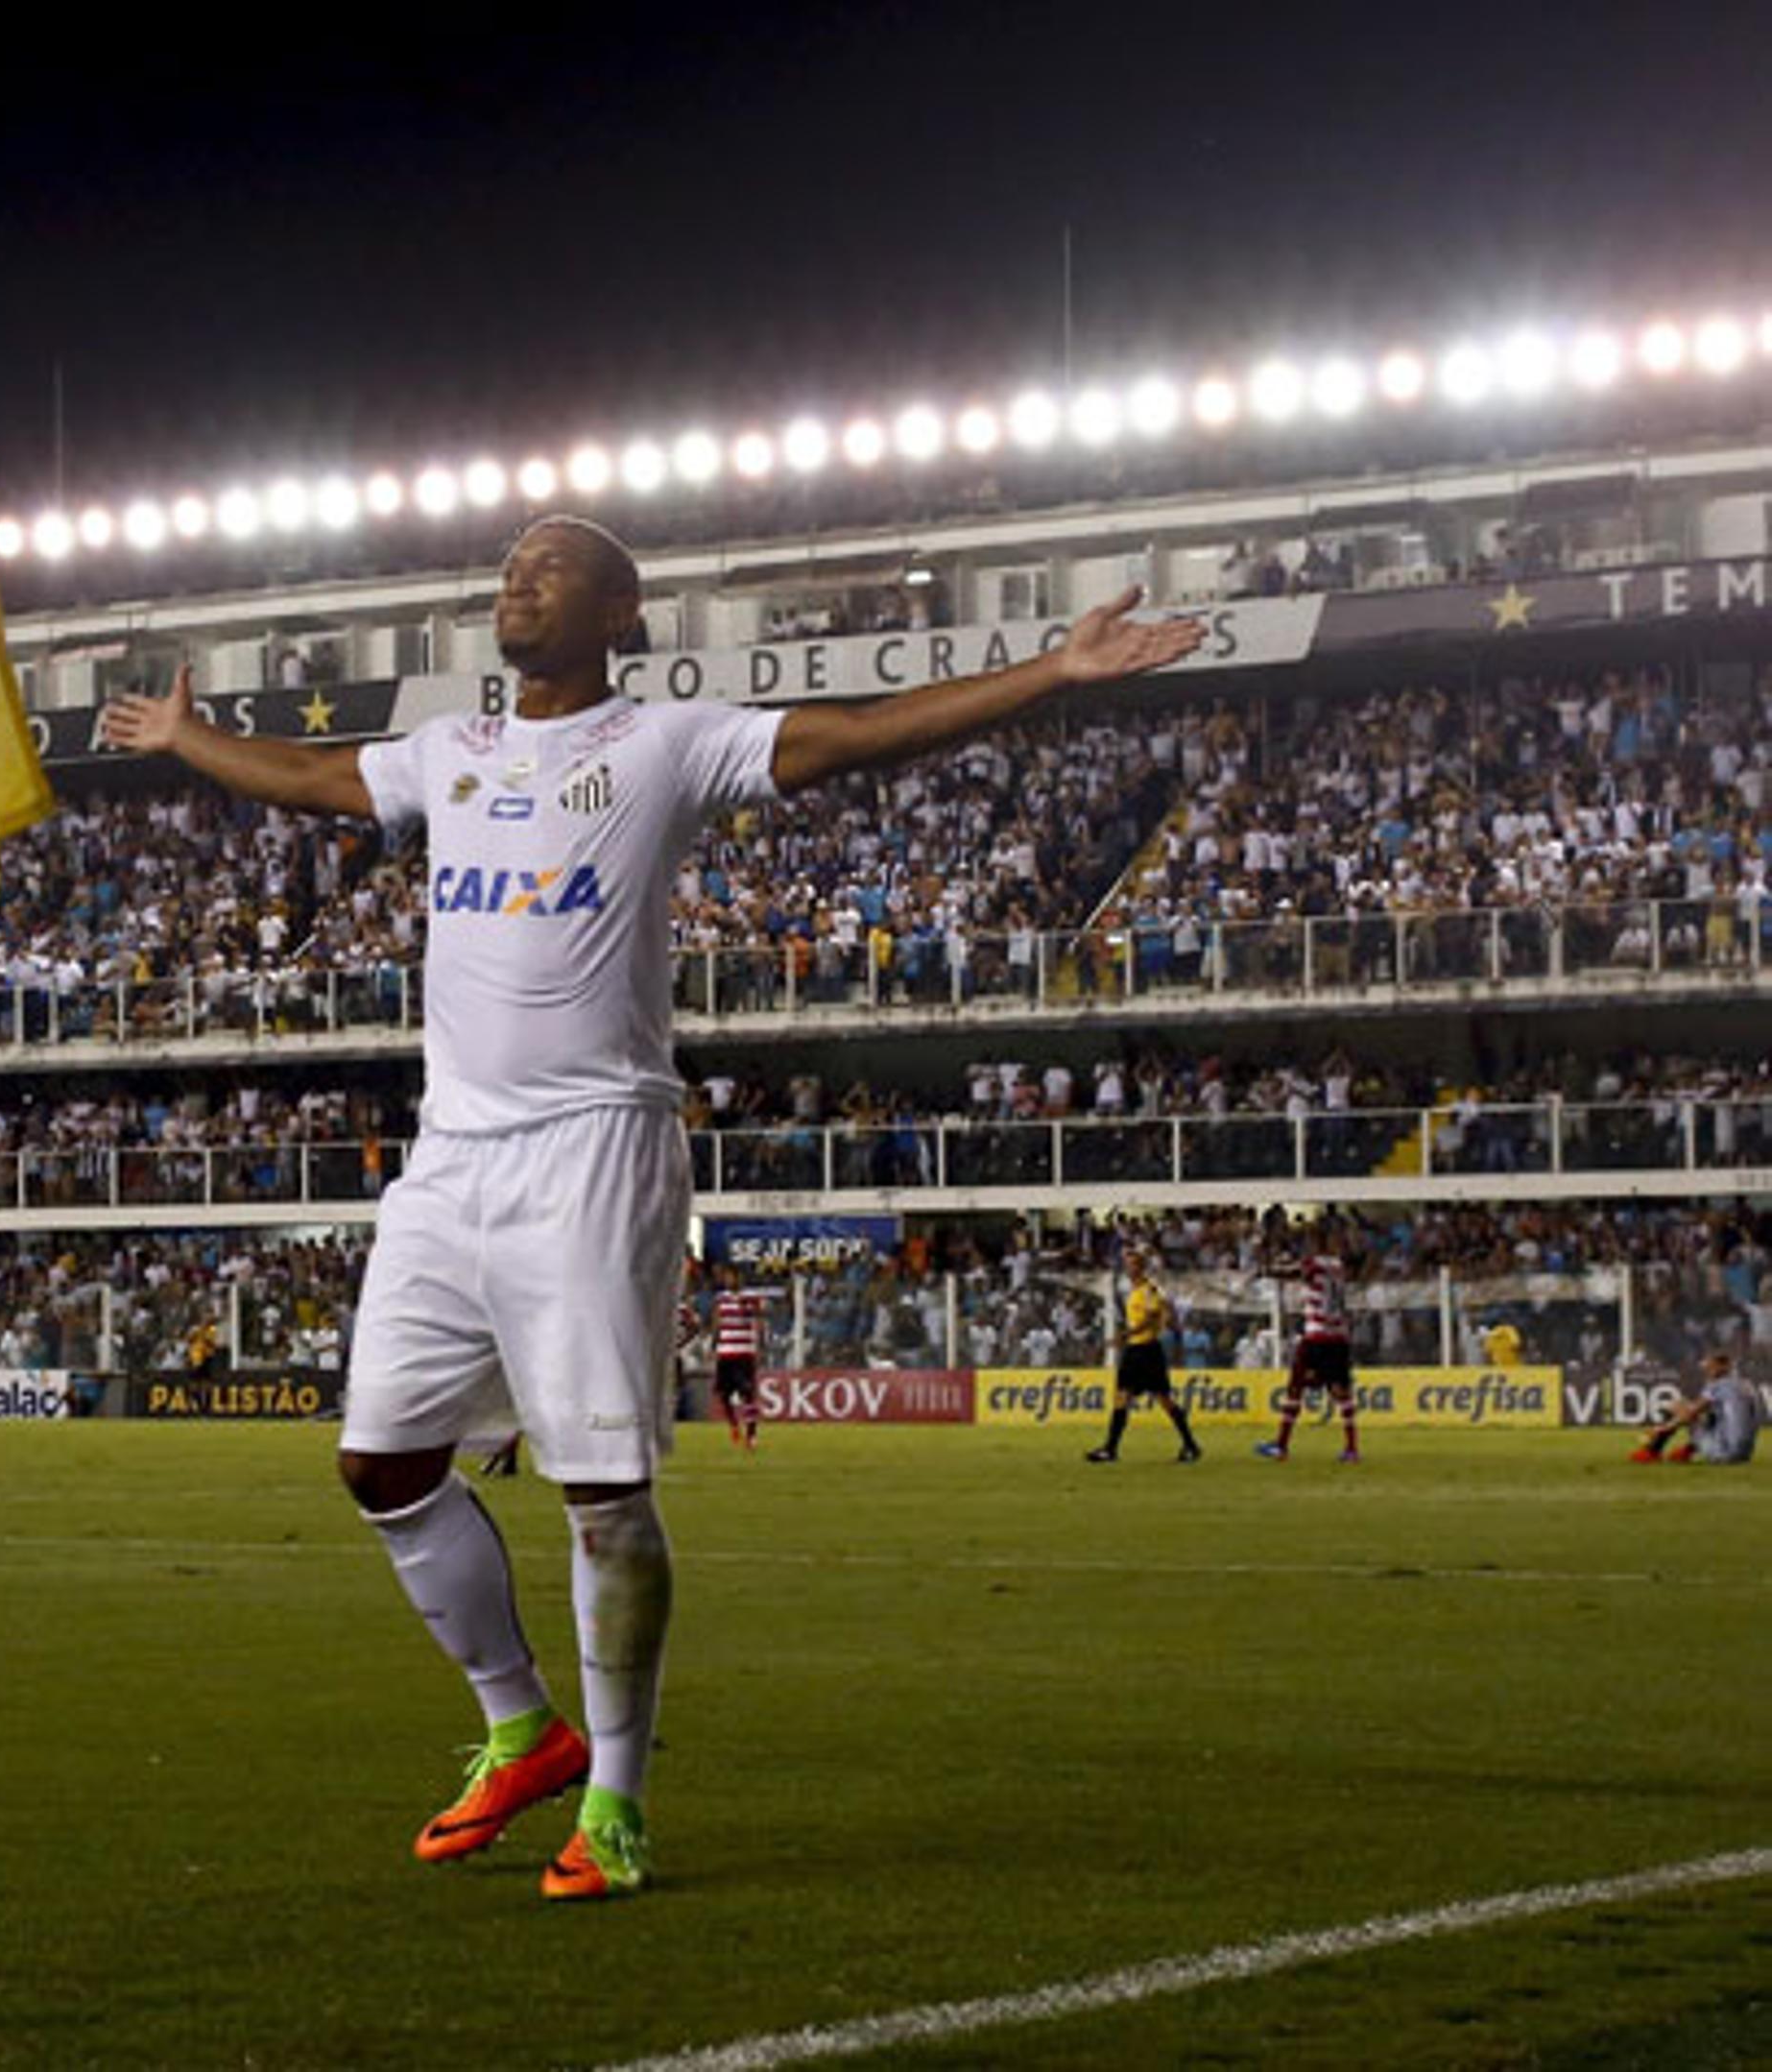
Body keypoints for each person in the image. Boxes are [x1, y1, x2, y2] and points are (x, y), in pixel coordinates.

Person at [99, 514, 1202, 1902]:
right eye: (510, 563)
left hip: (594, 1145)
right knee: (379, 1465)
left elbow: (856, 734)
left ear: (622, 612)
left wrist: (1053, 667)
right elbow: (318, 775)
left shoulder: (667, 745)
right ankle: (522, 1724)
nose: (519, 576)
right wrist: (185, 741)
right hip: (449, 1159)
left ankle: (615, 1801)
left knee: (603, 1491)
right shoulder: (451, 750)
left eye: (552, 565)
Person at [1257, 1224, 1359, 1463]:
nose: (1305, 1246)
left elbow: (1295, 1273)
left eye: (1309, 1240)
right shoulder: (1338, 1266)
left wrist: (1268, 1270)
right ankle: (1352, 1448)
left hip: (1317, 1336)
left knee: (1296, 1388)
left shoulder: (1315, 1264)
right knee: (1341, 1392)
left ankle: (1281, 1446)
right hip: (1339, 1336)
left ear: (1317, 1242)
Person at [1090, 1251, 1204, 1464]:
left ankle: (1190, 1445)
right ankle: (1110, 1449)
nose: (1128, 1269)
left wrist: (1124, 1335)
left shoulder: (1148, 1291)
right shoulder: (1134, 1292)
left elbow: (1152, 1317)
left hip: (1147, 1350)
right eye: (1127, 1265)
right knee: (1122, 1396)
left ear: (1141, 1268)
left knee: (1164, 1400)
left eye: (1132, 1265)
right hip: (1135, 1350)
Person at [1633, 1353, 1760, 1465]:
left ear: (1719, 1368)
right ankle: (1686, 1451)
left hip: (1724, 1453)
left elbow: (1689, 1413)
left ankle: (1652, 1452)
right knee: (1711, 1416)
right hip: (1745, 1454)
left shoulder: (1717, 1385)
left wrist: (1662, 1428)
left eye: (1709, 1367)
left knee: (1677, 1405)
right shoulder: (1746, 1385)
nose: (1706, 1371)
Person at [706, 1265, 764, 1452]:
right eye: (726, 1277)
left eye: (731, 1277)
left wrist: (760, 1345)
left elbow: (758, 1318)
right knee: (723, 1395)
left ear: (739, 1278)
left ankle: (752, 1435)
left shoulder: (750, 1297)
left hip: (744, 1353)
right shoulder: (720, 1299)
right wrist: (713, 1346)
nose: (728, 1281)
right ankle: (733, 1426)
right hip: (725, 1353)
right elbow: (717, 1323)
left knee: (747, 1393)